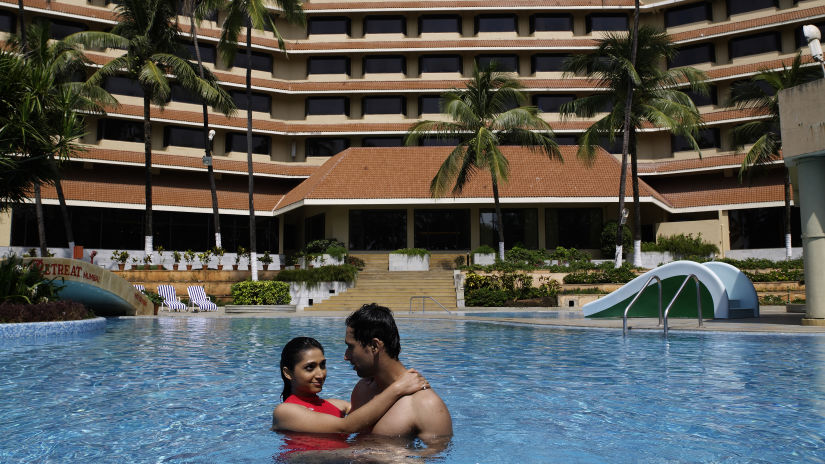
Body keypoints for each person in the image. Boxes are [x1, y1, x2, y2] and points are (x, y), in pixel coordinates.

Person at [272, 336, 429, 434]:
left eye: (322, 365)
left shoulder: (336, 405)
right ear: (288, 373)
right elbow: (346, 426)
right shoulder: (285, 411)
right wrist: (398, 387)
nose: (320, 374)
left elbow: (369, 411)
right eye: (309, 367)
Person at [345, 303, 453, 442]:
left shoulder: (427, 405)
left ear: (374, 346)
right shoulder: (362, 390)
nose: (346, 356)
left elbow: (438, 458)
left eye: (350, 347)